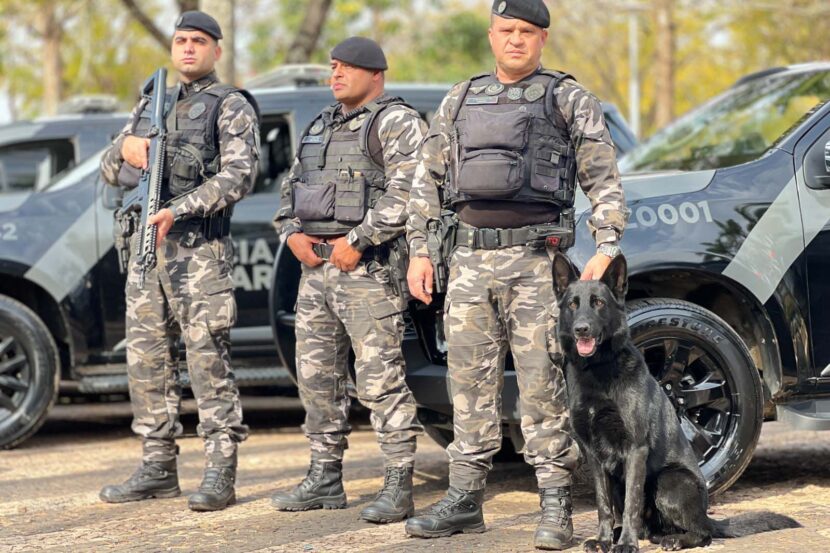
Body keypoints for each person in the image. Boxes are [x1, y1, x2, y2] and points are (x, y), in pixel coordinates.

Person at [404, 0, 628, 549]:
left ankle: (556, 505)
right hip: (468, 264)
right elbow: (426, 180)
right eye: (506, 30)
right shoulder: (460, 97)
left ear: (543, 39)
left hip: (536, 265)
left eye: (527, 32)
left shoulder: (569, 97)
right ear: (491, 34)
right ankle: (464, 499)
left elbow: (603, 175)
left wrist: (607, 244)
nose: (515, 40)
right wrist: (419, 250)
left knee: (542, 387)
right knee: (468, 386)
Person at [98, 10, 259, 512]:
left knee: (208, 360)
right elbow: (109, 169)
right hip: (148, 255)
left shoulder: (229, 105)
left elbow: (240, 176)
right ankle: (157, 466)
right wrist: (126, 147)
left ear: (216, 50)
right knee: (147, 363)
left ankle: (219, 471)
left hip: (198, 252)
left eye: (198, 41)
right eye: (181, 40)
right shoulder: (151, 102)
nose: (188, 49)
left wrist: (179, 208)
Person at [271, 37, 426, 523]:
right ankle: (324, 478)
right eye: (333, 67)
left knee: (380, 382)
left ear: (375, 74)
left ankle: (399, 483)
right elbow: (289, 189)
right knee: (317, 380)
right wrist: (292, 233)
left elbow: (410, 192)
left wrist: (357, 241)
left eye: (346, 68)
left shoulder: (397, 122)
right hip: (315, 272)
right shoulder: (319, 125)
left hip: (367, 271)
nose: (334, 74)